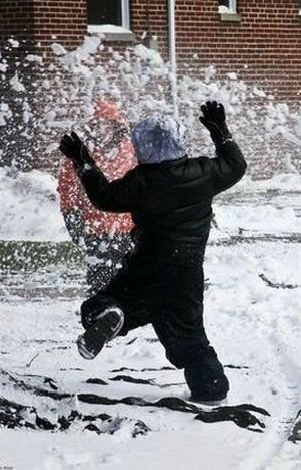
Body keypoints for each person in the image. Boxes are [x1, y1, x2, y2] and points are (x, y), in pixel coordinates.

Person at [58, 102, 247, 403]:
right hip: (186, 272)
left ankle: (111, 314)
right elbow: (236, 165)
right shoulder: (204, 171)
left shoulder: (141, 182)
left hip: (147, 268)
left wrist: (83, 161)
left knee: (106, 304)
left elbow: (103, 197)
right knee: (190, 335)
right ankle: (211, 388)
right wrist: (219, 130)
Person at [57, 99, 135, 295]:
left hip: (129, 225)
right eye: (96, 125)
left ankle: (124, 309)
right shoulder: (80, 153)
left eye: (106, 125)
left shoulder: (130, 149)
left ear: (116, 126)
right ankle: (101, 310)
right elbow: (68, 187)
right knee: (100, 274)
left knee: (130, 272)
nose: (102, 131)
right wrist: (70, 214)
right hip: (96, 227)